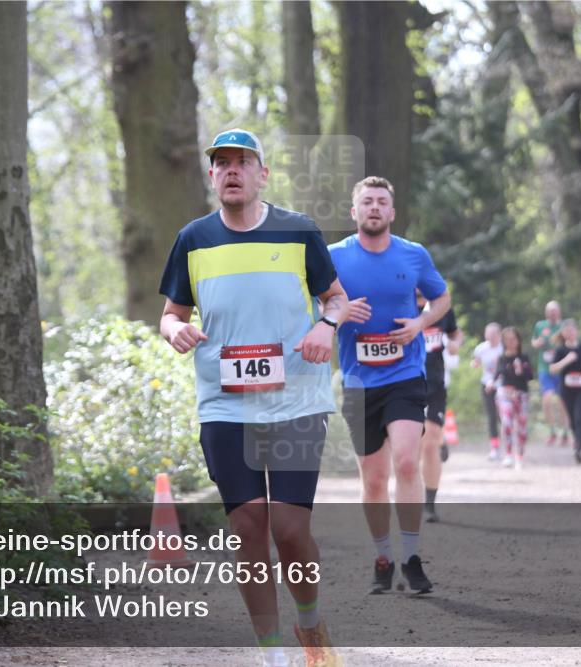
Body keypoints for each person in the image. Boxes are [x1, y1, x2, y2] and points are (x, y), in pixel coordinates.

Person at [159, 129, 347, 667]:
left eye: (243, 161)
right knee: (247, 529)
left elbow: (335, 299)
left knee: (290, 532)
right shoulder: (193, 239)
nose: (232, 170)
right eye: (222, 163)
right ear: (213, 175)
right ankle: (271, 656)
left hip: (296, 403)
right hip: (225, 403)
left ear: (263, 173)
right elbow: (173, 313)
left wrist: (325, 329)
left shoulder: (298, 231)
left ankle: (310, 623)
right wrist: (173, 330)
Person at [329, 176, 450, 595]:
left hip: (405, 376)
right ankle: (383, 556)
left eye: (382, 201)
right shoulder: (333, 257)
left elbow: (442, 297)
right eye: (367, 202)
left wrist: (419, 323)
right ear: (354, 212)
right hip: (359, 382)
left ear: (392, 212)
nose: (375, 207)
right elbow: (316, 306)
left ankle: (413, 558)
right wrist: (341, 313)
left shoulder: (413, 255)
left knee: (405, 462)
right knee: (375, 480)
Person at [416, 289, 462, 523]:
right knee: (416, 445)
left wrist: (455, 344)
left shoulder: (440, 307)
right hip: (405, 385)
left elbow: (455, 333)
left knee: (429, 442)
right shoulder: (397, 303)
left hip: (435, 384)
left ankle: (429, 504)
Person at [548, 319, 581, 463]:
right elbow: (552, 369)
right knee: (572, 420)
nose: (570, 333)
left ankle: (578, 448)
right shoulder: (560, 350)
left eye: (572, 330)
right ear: (563, 334)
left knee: (579, 417)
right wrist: (567, 360)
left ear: (577, 331)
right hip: (566, 390)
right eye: (567, 331)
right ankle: (577, 442)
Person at [493, 327, 534, 469]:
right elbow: (497, 376)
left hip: (522, 394)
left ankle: (520, 456)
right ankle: (508, 454)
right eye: (507, 339)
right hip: (505, 394)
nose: (511, 342)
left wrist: (520, 369)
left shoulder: (524, 358)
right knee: (507, 421)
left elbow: (529, 377)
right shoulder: (502, 358)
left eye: (513, 339)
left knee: (522, 426)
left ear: (518, 340)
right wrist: (491, 384)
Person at [531, 301, 568, 446]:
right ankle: (552, 430)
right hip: (545, 369)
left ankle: (565, 431)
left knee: (562, 402)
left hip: (560, 369)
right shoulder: (540, 326)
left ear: (559, 312)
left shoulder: (564, 326)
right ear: (546, 312)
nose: (552, 313)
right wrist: (537, 343)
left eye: (554, 310)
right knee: (546, 400)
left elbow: (572, 341)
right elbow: (534, 341)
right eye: (549, 311)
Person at [473, 323, 504, 459]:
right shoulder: (481, 348)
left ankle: (510, 445)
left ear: (499, 335)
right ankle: (494, 447)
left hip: (503, 385)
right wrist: (474, 364)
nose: (490, 337)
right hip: (486, 384)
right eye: (488, 334)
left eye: (493, 334)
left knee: (503, 416)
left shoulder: (504, 349)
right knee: (491, 416)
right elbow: (477, 361)